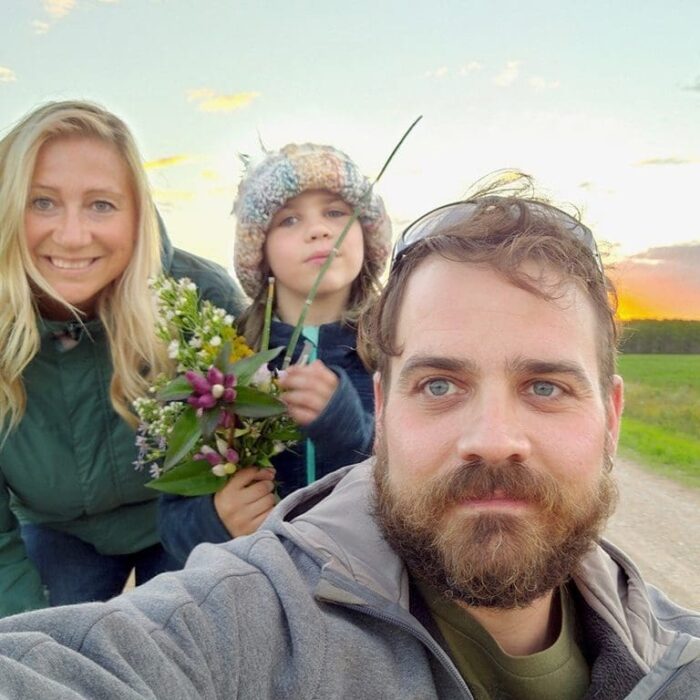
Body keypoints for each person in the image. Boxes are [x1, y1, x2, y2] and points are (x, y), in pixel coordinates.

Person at [0, 174, 698, 700]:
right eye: (440, 385)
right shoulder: (246, 625)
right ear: (387, 403)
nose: (492, 439)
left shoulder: (678, 655)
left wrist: (335, 421)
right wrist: (214, 519)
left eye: (545, 387)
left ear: (612, 416)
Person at [0, 100, 246, 617]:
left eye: (101, 205)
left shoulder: (200, 298)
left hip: (185, 518)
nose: (71, 235)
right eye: (42, 202)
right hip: (55, 528)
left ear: (138, 215)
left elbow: (250, 451)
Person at [158, 142, 392, 564]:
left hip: (376, 592)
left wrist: (348, 431)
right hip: (260, 595)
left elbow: (424, 488)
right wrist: (217, 520)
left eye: (336, 212)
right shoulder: (223, 366)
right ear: (259, 252)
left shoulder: (398, 351)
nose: (318, 230)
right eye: (289, 219)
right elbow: (172, 521)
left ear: (366, 234)